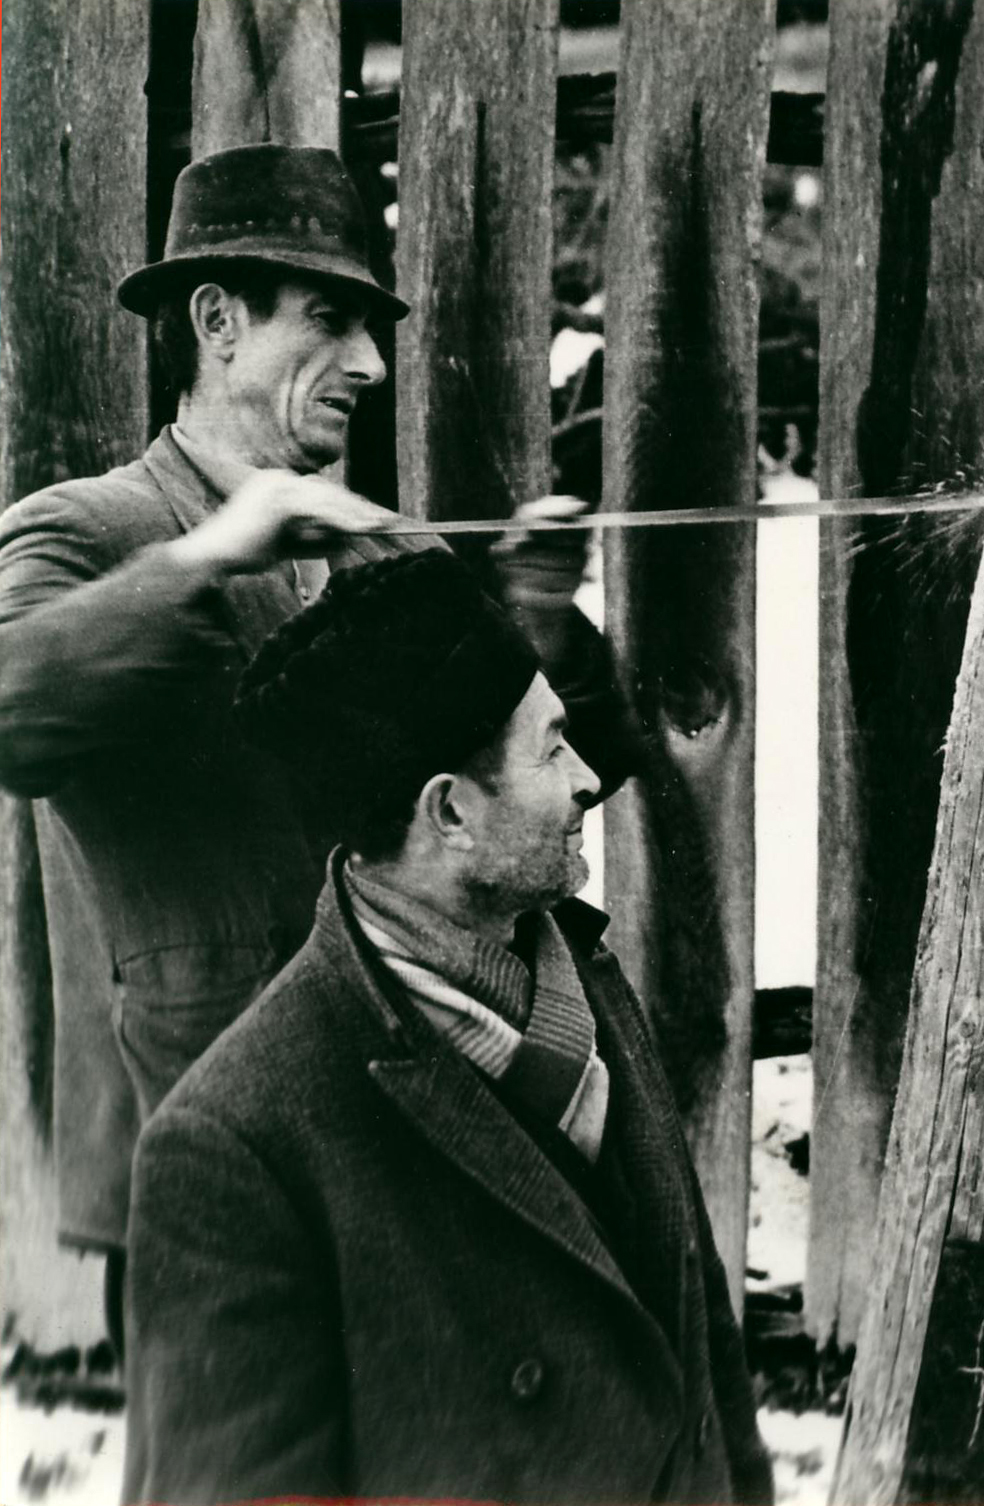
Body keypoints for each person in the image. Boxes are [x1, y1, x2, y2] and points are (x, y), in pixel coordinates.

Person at [0, 143, 641, 1340]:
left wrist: (544, 619)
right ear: (217, 322)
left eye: (374, 330)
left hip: (427, 1136)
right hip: (207, 1148)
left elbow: (559, 778)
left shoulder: (391, 550)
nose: (371, 365)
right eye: (332, 320)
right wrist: (209, 556)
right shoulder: (90, 530)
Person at [120, 550, 771, 1504]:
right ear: (451, 813)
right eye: (552, 748)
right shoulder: (232, 1148)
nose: (588, 777)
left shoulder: (580, 970)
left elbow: (699, 1341)